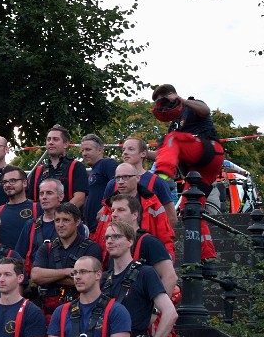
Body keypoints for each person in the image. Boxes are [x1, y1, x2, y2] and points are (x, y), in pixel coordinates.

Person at [151, 84, 224, 225]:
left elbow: (206, 110)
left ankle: (162, 178)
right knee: (189, 210)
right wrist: (142, 153)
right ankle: (202, 243)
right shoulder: (174, 125)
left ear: (172, 95)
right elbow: (165, 154)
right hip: (198, 170)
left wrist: (181, 100)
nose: (164, 108)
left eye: (164, 102)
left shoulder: (191, 106)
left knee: (172, 138)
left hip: (210, 151)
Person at [31, 203, 105, 322]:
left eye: (66, 220)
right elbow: (35, 276)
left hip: (81, 314)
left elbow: (89, 281)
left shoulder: (91, 248)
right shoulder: (46, 248)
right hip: (49, 313)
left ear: (77, 222)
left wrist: (49, 277)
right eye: (57, 220)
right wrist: (66, 272)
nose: (60, 225)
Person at [93, 164, 176, 260]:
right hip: (113, 262)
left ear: (137, 178)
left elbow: (164, 236)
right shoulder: (108, 205)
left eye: (125, 177)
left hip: (144, 259)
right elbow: (100, 238)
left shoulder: (152, 203)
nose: (120, 182)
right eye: (118, 178)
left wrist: (167, 259)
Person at [109, 194, 178, 295]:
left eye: (121, 210)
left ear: (135, 215)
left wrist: (157, 308)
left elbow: (170, 277)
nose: (114, 214)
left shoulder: (150, 242)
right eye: (112, 210)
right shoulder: (114, 243)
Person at [106, 137, 178, 227]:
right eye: (123, 149)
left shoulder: (157, 182)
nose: (125, 152)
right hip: (119, 237)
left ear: (143, 153)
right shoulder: (112, 183)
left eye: (131, 149)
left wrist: (155, 239)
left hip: (148, 237)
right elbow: (106, 216)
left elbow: (172, 218)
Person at [27, 125, 88, 209]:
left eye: (55, 139)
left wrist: (60, 216)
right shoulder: (38, 170)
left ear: (66, 144)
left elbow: (79, 198)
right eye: (48, 139)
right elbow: (30, 200)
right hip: (41, 219)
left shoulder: (76, 167)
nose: (51, 142)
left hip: (67, 219)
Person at [14, 178, 64, 274]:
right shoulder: (30, 225)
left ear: (60, 197)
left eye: (49, 193)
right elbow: (19, 258)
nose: (44, 197)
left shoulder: (71, 225)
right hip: (34, 281)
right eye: (41, 194)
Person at [81, 134, 119, 231]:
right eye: (82, 150)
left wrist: (107, 206)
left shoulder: (107, 164)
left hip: (105, 226)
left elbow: (121, 186)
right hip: (93, 228)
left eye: (88, 149)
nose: (84, 153)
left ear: (100, 150)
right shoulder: (93, 171)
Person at [0, 166, 39, 247]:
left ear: (24, 183)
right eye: (5, 182)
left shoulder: (38, 209)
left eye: (13, 181)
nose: (7, 185)